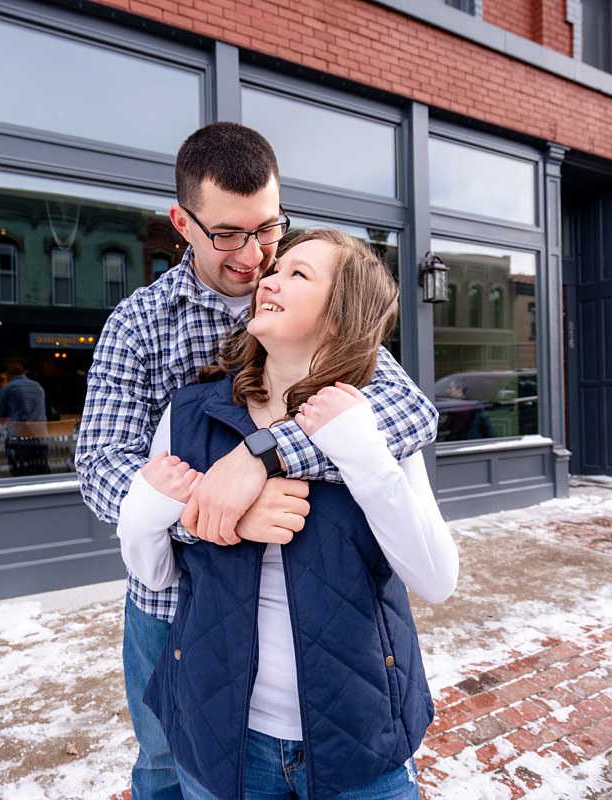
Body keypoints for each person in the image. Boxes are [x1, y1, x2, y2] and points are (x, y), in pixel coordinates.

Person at [75, 122, 438, 800]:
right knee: (164, 764)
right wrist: (217, 514)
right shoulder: (138, 323)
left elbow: (407, 413)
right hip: (175, 596)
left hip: (303, 588)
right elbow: (102, 467)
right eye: (229, 235)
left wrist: (262, 456)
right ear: (183, 223)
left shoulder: (310, 296)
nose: (255, 256)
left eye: (268, 229)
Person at [0, 360, 49, 476]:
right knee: (41, 471)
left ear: (8, 375)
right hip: (41, 439)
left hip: (20, 441)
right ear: (24, 373)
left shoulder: (8, 389)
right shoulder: (38, 386)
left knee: (20, 471)